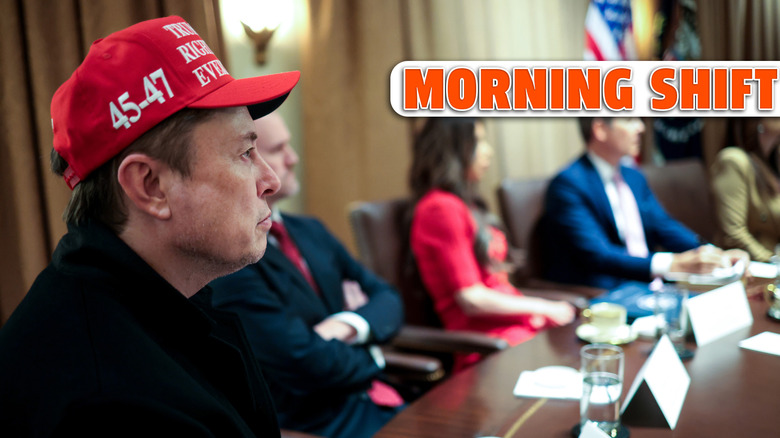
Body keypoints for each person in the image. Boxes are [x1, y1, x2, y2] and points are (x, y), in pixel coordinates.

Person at [0, 16, 299, 437]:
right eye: (246, 153)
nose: (270, 181)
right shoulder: (113, 406)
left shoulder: (158, 300)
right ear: (151, 186)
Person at [209, 112, 405, 438]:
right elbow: (304, 362)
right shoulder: (233, 257)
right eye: (275, 148)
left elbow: (389, 299)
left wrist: (345, 325)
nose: (293, 158)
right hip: (320, 425)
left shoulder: (311, 229)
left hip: (377, 399)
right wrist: (372, 350)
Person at [407, 118, 576, 370]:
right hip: (488, 346)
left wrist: (536, 312)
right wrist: (541, 306)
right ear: (452, 150)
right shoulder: (439, 208)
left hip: (513, 332)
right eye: (478, 141)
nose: (488, 150)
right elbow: (472, 299)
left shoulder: (464, 204)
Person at [541, 117, 748, 290]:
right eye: (630, 119)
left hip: (650, 286)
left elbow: (664, 226)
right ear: (600, 129)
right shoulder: (569, 184)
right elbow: (598, 254)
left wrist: (713, 254)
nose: (641, 127)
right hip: (603, 295)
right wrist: (672, 263)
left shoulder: (633, 177)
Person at [711, 118, 780, 262]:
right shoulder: (733, 161)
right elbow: (734, 236)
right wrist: (773, 262)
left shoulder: (773, 162)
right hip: (751, 270)